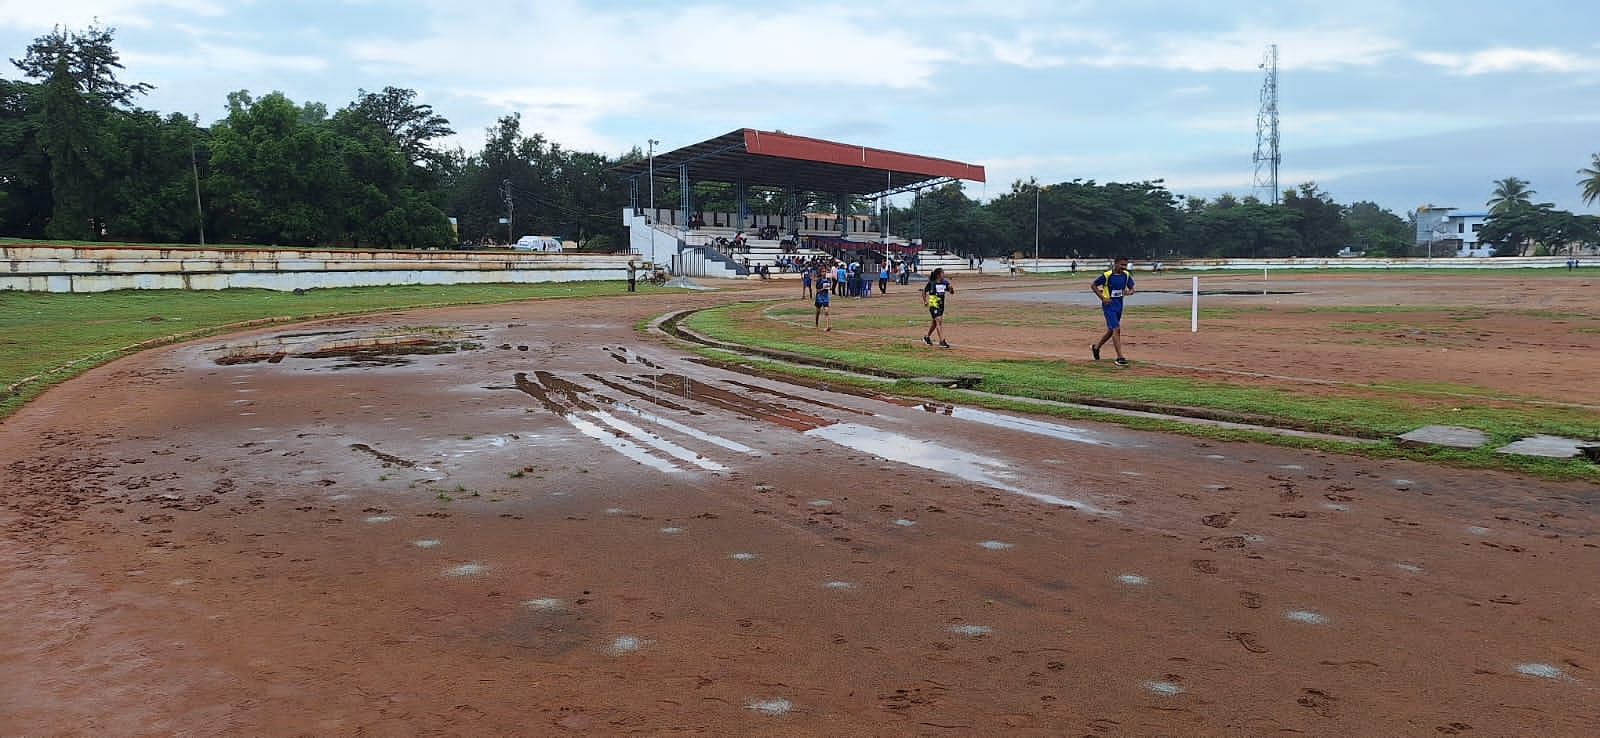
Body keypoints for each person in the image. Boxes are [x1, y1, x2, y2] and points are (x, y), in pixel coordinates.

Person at [1091, 257, 1136, 366]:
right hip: (1108, 305)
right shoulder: (1107, 275)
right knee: (1116, 328)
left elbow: (1132, 289)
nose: (1123, 267)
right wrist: (1102, 297)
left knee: (1112, 330)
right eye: (1121, 265)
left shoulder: (1126, 275)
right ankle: (1120, 357)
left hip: (1119, 305)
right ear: (1115, 264)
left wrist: (1129, 292)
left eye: (1125, 265)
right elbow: (1093, 285)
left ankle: (1096, 347)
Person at [922, 267, 954, 348]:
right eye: (943, 273)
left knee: (934, 323)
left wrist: (951, 289)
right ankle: (942, 341)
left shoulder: (945, 282)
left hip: (941, 305)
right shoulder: (931, 283)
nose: (944, 274)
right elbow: (924, 291)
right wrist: (925, 301)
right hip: (934, 303)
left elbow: (951, 292)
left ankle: (927, 337)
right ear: (938, 275)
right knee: (939, 321)